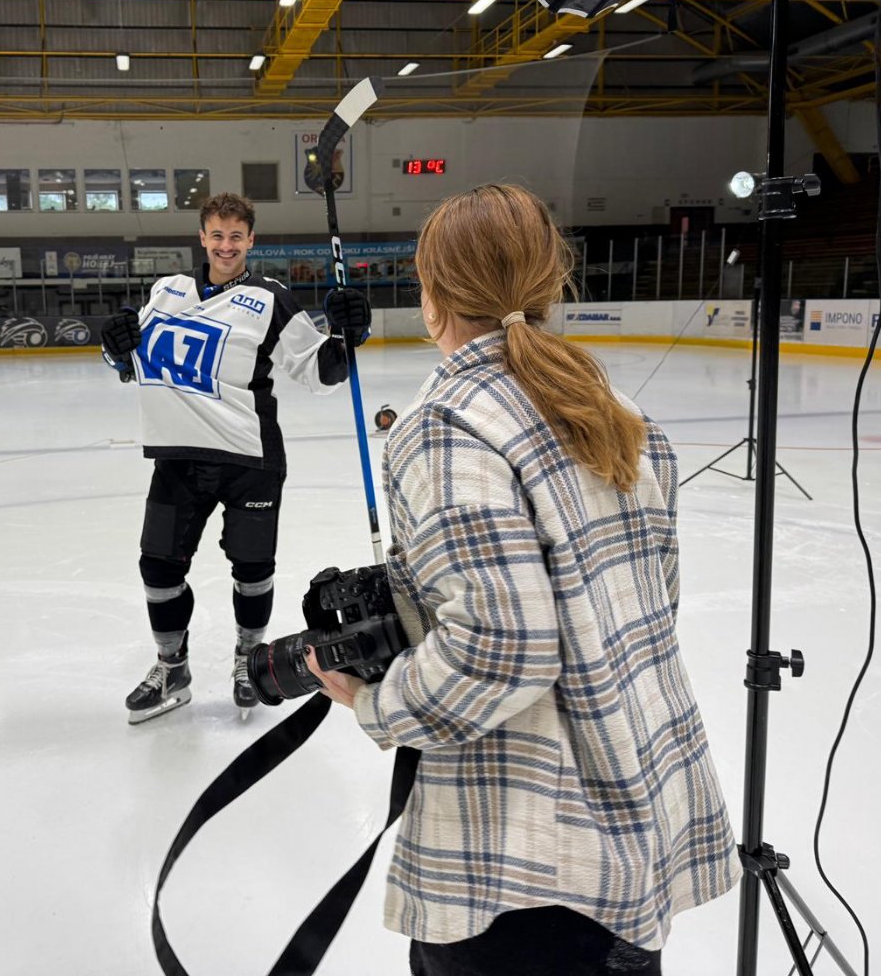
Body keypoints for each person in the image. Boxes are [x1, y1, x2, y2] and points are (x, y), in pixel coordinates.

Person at [307, 184, 739, 974]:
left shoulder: (449, 424)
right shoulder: (611, 407)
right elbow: (655, 602)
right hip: (634, 822)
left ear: (431, 297)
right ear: (548, 283)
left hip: (525, 863)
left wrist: (378, 702)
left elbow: (504, 646)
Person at [100, 192, 371, 725]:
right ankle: (172, 669)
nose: (226, 245)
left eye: (236, 236)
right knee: (158, 567)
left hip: (250, 459)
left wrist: (347, 334)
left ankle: (249, 660)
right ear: (202, 237)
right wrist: (114, 346)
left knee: (252, 570)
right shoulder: (167, 290)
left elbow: (319, 372)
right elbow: (133, 361)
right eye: (217, 235)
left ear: (251, 240)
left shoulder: (270, 298)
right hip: (178, 457)